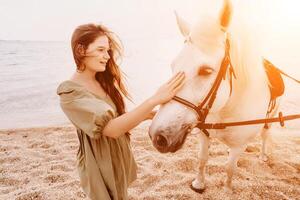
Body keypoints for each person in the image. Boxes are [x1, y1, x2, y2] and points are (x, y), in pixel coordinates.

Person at [56, 23, 185, 200]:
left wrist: (147, 115)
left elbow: (115, 119)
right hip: (98, 163)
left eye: (108, 50)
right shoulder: (70, 93)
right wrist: (155, 98)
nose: (107, 56)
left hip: (116, 154)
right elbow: (111, 129)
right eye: (101, 50)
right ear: (81, 50)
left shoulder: (101, 81)